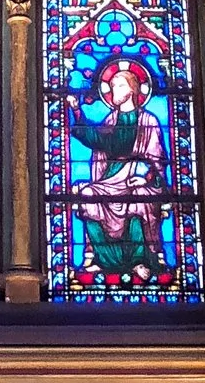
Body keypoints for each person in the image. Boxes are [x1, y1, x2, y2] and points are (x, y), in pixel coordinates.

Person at [67, 55, 167, 283]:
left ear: (132, 89)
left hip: (136, 178)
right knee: (87, 195)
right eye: (112, 87)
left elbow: (158, 160)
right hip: (110, 179)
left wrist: (147, 178)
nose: (114, 91)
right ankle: (99, 258)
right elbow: (96, 139)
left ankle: (140, 259)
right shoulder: (111, 120)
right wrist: (76, 110)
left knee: (139, 198)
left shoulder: (148, 121)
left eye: (119, 85)